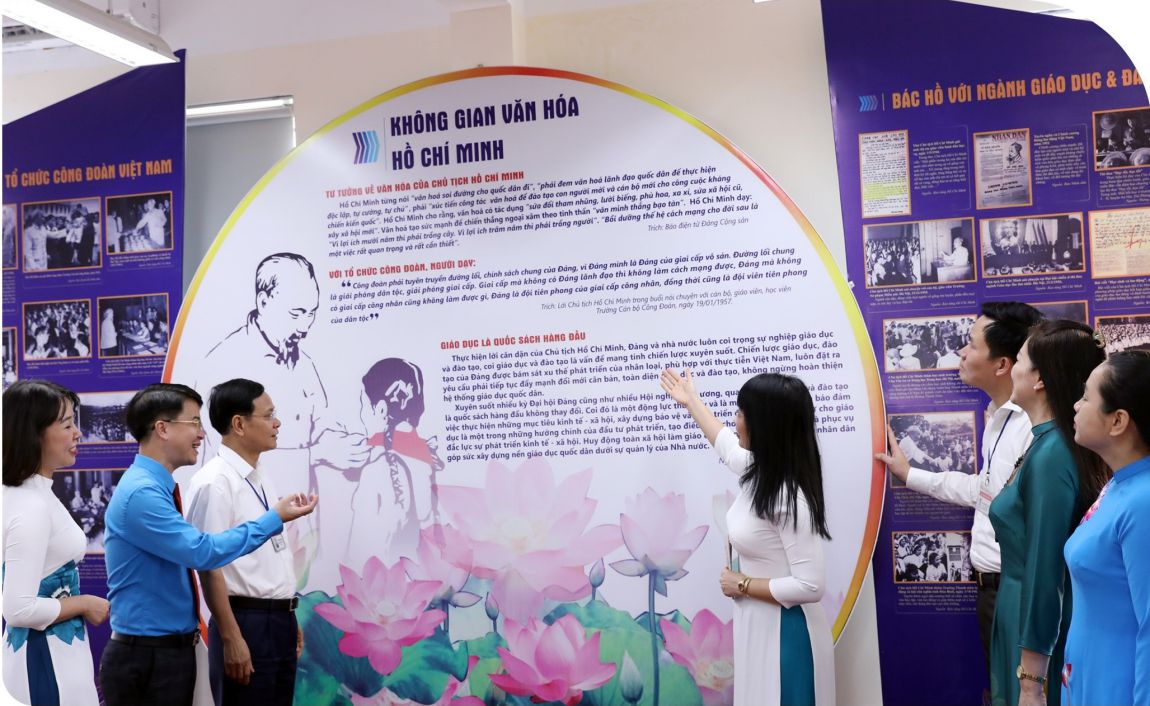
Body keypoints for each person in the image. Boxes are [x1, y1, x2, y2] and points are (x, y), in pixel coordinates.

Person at [100, 383, 318, 706]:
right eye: (194, 423)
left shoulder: (158, 487)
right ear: (162, 428)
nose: (202, 434)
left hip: (170, 649)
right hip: (148, 656)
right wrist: (274, 519)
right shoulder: (143, 494)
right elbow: (204, 553)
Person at [878, 301, 1042, 678]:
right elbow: (984, 488)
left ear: (1002, 364)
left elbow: (1011, 507)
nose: (961, 353)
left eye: (971, 344)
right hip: (993, 591)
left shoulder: (1029, 428)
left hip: (1015, 590)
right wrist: (911, 474)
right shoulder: (996, 417)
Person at [661, 369, 834, 706]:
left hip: (787, 633)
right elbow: (725, 444)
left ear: (764, 425)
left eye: (741, 413)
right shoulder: (762, 472)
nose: (735, 420)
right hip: (758, 625)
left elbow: (811, 585)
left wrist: (741, 584)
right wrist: (691, 401)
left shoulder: (786, 495)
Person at [203, 253, 368, 585]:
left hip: (295, 542)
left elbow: (317, 424)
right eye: (296, 313)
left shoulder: (303, 364)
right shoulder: (224, 362)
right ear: (264, 301)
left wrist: (341, 442)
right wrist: (317, 453)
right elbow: (227, 451)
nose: (305, 325)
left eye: (312, 313)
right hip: (247, 568)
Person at [988, 320, 1109, 706]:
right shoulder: (1046, 445)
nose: (1013, 369)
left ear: (1039, 378)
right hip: (1022, 615)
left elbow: (1045, 569)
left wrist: (1030, 681)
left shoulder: (1053, 453)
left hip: (1036, 625)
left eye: (1020, 359)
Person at [186, 379, 303, 706]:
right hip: (244, 622)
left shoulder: (259, 474)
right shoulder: (215, 483)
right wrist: (231, 636)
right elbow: (208, 567)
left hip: (277, 620)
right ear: (239, 424)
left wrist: (286, 613)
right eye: (268, 416)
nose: (277, 423)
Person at [2, 380, 110, 706]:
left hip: (52, 651)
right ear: (33, 433)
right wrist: (85, 603)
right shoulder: (30, 505)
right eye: (66, 424)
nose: (77, 433)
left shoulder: (32, 494)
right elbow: (18, 608)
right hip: (43, 656)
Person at [1062, 351, 1150, 706]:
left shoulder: (1142, 500)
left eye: (1086, 397)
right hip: (1089, 678)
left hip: (1120, 687)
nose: (1075, 405)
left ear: (1118, 421)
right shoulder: (1117, 485)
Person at [346, 357, 445, 568]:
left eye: (363, 405)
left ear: (380, 409)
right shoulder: (425, 464)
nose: (361, 414)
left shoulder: (377, 471)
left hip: (385, 595)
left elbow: (361, 560)